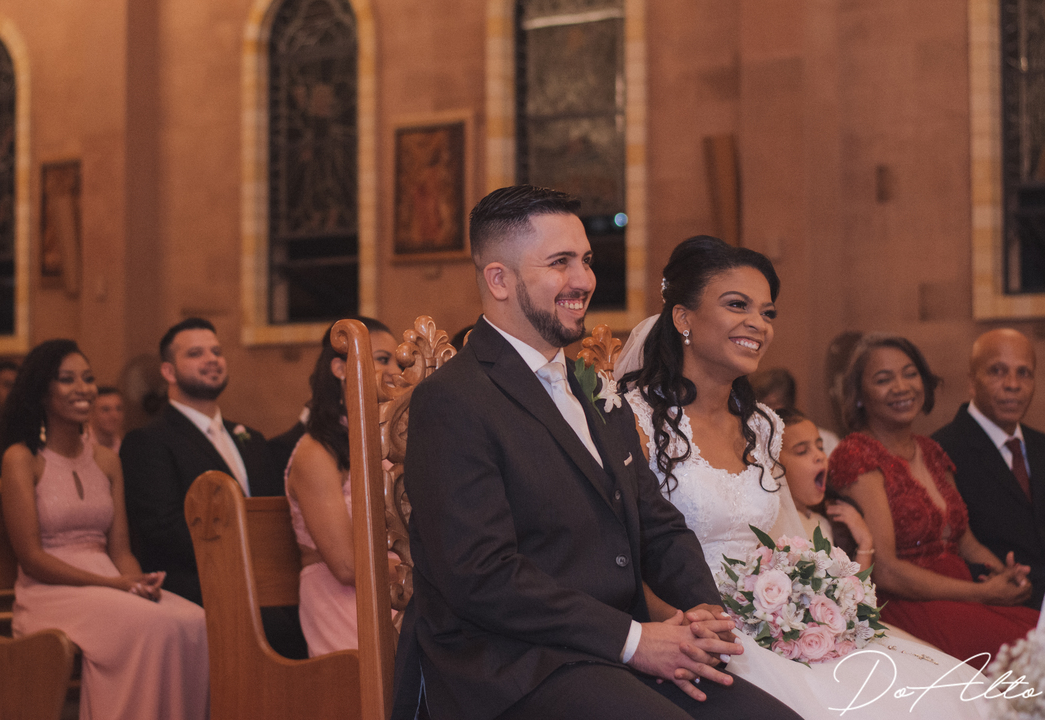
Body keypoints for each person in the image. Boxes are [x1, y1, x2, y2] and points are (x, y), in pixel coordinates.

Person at [392, 188, 800, 720]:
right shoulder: (454, 400)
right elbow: (481, 575)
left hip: (612, 652)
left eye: (585, 260)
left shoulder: (595, 392)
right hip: (512, 666)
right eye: (559, 262)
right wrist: (633, 640)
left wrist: (705, 611)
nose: (584, 279)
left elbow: (657, 525)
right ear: (499, 280)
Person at [615, 236, 983, 718]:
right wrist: (688, 627)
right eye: (737, 305)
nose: (758, 323)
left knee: (944, 695)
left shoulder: (763, 426)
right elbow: (624, 550)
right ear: (683, 318)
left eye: (767, 312)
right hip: (689, 626)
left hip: (778, 619)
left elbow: (784, 537)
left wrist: (817, 600)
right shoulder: (635, 420)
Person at [1, 339, 208, 720]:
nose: (83, 388)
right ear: (42, 392)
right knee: (151, 626)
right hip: (50, 591)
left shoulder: (107, 461)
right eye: (67, 379)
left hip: (109, 580)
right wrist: (113, 585)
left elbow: (120, 550)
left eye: (88, 378)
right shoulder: (22, 459)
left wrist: (138, 583)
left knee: (195, 621)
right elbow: (31, 558)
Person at [828, 333, 1040, 661]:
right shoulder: (857, 454)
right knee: (1033, 652)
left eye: (910, 374)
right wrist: (981, 593)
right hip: (908, 603)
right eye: (883, 379)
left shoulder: (932, 451)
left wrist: (1004, 575)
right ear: (859, 396)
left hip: (962, 592)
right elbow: (885, 570)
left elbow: (966, 543)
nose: (901, 387)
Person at [119, 318, 304, 658]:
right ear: (168, 371)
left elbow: (276, 511)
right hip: (199, 578)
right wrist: (240, 560)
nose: (212, 359)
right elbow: (162, 527)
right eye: (195, 353)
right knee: (280, 631)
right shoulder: (149, 441)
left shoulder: (250, 438)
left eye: (216, 351)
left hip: (268, 576)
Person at [284, 317, 402, 656]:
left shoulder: (391, 445)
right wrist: (426, 571)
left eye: (398, 361)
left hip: (399, 592)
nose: (396, 372)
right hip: (343, 600)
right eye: (382, 359)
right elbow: (347, 566)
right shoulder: (316, 453)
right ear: (339, 368)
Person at [933, 328, 1045, 607]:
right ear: (972, 382)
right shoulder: (940, 450)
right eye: (997, 371)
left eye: (1024, 373)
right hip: (995, 606)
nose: (1013, 384)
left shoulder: (1041, 444)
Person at [775, 407, 873, 572]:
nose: (820, 456)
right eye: (802, 451)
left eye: (820, 447)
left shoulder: (822, 524)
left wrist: (865, 542)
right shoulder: (774, 526)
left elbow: (848, 587)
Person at [749, 367, 839, 454]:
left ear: (789, 404)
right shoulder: (750, 441)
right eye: (757, 405)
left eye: (770, 405)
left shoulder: (826, 440)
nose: (761, 412)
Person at [90, 386, 125, 454]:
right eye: (106, 410)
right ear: (91, 413)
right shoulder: (80, 448)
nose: (115, 416)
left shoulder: (125, 449)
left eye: (118, 409)